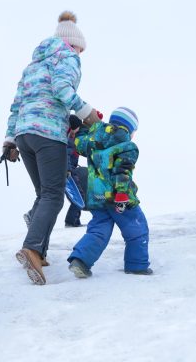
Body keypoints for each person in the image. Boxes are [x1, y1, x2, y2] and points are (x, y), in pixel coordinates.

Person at [3, 11, 101, 285]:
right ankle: (32, 248)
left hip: (24, 134)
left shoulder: (32, 66)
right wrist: (86, 113)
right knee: (55, 195)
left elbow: (16, 105)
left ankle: (40, 251)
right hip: (49, 135)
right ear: (74, 44)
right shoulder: (67, 56)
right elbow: (62, 87)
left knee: (44, 193)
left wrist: (9, 141)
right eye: (81, 49)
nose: (81, 54)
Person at [67, 107, 152, 278]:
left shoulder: (93, 138)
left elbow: (80, 141)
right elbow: (123, 171)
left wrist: (78, 127)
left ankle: (81, 261)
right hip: (118, 198)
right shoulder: (127, 145)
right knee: (136, 228)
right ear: (130, 129)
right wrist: (122, 194)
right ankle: (137, 265)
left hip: (96, 197)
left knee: (99, 230)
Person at [64, 114, 87, 227]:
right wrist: (68, 169)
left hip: (71, 169)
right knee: (79, 195)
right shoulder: (68, 139)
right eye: (75, 130)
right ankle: (71, 221)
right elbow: (66, 155)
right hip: (68, 172)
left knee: (78, 195)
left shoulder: (70, 137)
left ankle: (75, 220)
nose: (75, 133)